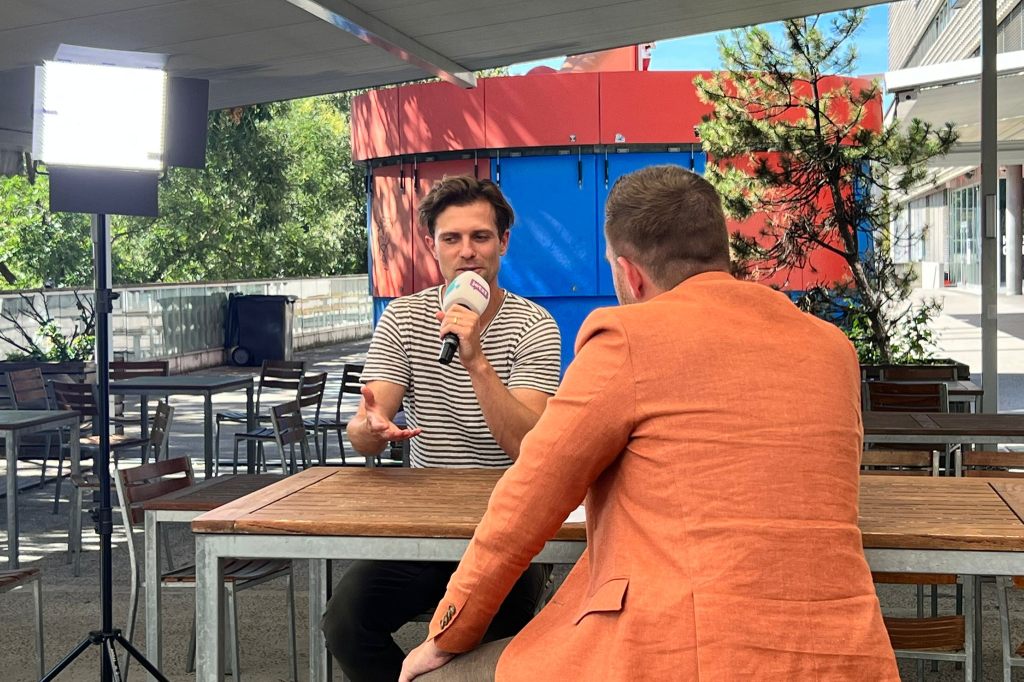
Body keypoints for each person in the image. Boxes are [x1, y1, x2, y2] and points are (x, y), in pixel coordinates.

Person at [400, 165, 899, 681]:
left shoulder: (627, 338)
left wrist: (446, 634)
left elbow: (524, 504)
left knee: (433, 677)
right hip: (843, 654)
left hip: (684, 653)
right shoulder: (831, 349)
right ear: (718, 251)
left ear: (628, 274)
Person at [321, 175, 562, 682]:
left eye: (480, 237)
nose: (467, 251)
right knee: (345, 621)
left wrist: (476, 360)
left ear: (503, 243)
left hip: (509, 531)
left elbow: (526, 443)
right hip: (422, 531)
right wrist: (369, 428)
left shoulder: (534, 324)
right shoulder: (403, 317)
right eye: (451, 238)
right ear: (432, 247)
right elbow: (368, 422)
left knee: (494, 649)